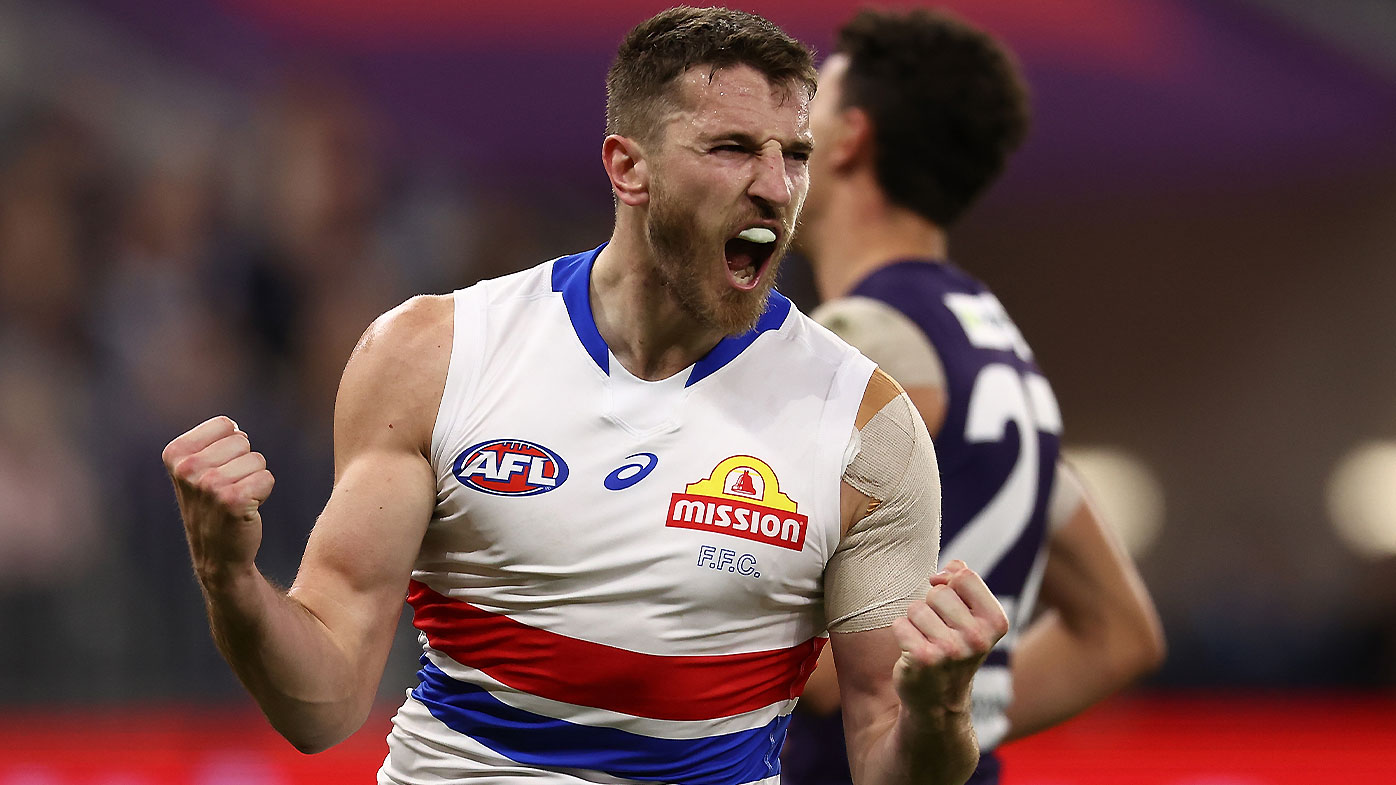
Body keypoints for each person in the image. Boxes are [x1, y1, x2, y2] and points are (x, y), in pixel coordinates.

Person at [161, 8, 1009, 785]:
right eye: (732, 148)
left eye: (793, 155)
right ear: (627, 167)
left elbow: (888, 758)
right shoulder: (435, 355)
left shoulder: (865, 427)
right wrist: (228, 575)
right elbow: (322, 706)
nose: (777, 188)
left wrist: (938, 707)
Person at [785, 8, 1166, 785]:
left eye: (810, 107)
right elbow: (1120, 631)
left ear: (851, 138)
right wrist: (949, 716)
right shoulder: (993, 342)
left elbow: (809, 661)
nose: (783, 138)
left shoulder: (865, 336)